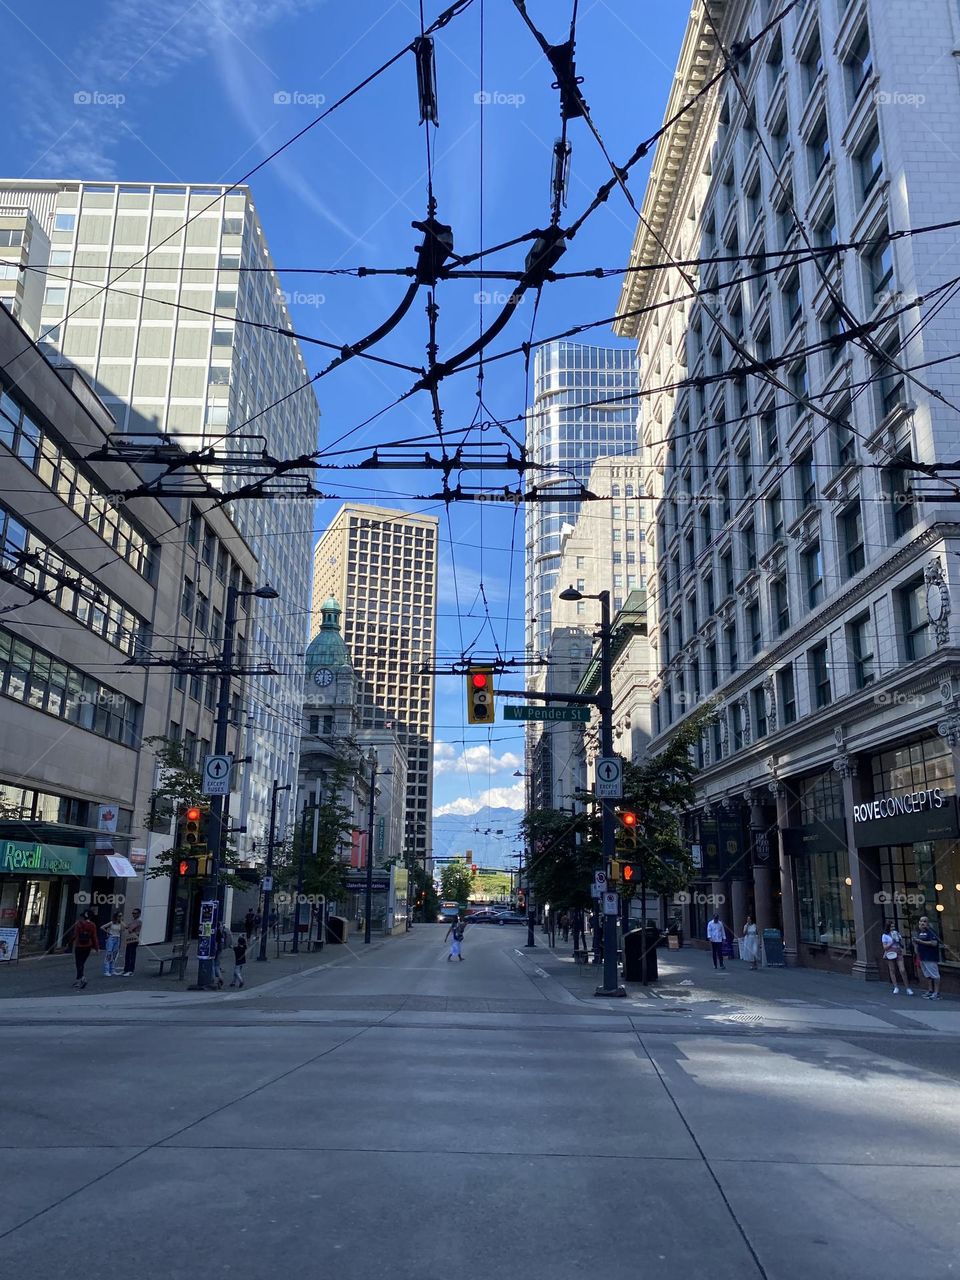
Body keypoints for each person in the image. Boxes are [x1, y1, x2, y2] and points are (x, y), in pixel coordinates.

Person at [913, 916, 942, 999]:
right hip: (922, 957)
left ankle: (936, 992)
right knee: (927, 975)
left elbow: (934, 943)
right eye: (921, 921)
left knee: (935, 975)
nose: (922, 923)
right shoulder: (919, 933)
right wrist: (915, 944)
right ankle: (930, 990)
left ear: (928, 923)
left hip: (930, 957)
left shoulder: (931, 932)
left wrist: (920, 941)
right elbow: (917, 944)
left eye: (924, 921)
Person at [881, 924, 913, 995]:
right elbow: (885, 947)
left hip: (898, 951)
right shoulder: (885, 936)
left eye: (894, 927)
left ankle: (907, 988)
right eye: (891, 927)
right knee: (892, 970)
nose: (893, 928)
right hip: (890, 953)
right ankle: (896, 987)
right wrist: (892, 941)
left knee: (902, 970)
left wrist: (898, 940)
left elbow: (901, 944)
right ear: (888, 927)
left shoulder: (896, 933)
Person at [72, 910, 99, 988]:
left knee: (78, 963)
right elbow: (94, 937)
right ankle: (78, 979)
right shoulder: (92, 925)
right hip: (88, 946)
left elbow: (75, 934)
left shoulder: (79, 924)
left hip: (79, 945)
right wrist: (96, 947)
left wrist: (69, 942)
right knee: (82, 963)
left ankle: (82, 978)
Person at [120, 908, 142, 976]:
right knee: (127, 954)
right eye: (133, 913)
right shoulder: (133, 921)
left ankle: (130, 970)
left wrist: (128, 926)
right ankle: (125, 969)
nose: (133, 914)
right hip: (130, 939)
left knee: (132, 955)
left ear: (138, 914)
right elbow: (126, 927)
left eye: (135, 913)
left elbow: (130, 929)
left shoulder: (138, 921)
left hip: (134, 939)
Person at [101, 910, 123, 976]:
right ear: (116, 916)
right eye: (119, 916)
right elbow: (102, 927)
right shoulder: (111, 923)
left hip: (118, 938)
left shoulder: (120, 923)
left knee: (115, 953)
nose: (120, 917)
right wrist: (108, 932)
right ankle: (106, 970)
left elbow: (125, 928)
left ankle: (112, 970)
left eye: (121, 916)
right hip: (111, 938)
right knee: (109, 953)